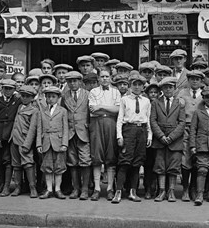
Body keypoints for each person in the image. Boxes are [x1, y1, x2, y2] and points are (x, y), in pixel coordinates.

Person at [113, 74, 152, 204]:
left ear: (143, 87)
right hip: (128, 130)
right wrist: (119, 136)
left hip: (141, 130)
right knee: (124, 161)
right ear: (130, 86)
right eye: (134, 84)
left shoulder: (146, 101)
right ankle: (118, 191)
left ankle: (133, 191)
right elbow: (120, 118)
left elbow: (149, 119)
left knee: (137, 162)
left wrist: (149, 135)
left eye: (139, 85)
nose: (136, 87)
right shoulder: (125, 99)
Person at [150, 77, 186, 202]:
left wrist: (171, 137)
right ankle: (161, 191)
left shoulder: (179, 103)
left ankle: (171, 191)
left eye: (170, 87)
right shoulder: (156, 103)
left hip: (175, 140)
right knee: (160, 166)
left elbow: (182, 122)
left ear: (175, 89)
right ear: (162, 89)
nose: (168, 90)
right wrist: (161, 136)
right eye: (165, 87)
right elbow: (153, 120)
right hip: (160, 140)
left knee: (173, 166)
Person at [88, 69, 121, 201]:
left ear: (110, 78)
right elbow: (92, 111)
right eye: (102, 76)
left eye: (107, 76)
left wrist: (101, 106)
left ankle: (109, 189)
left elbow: (117, 110)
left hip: (111, 124)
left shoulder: (116, 92)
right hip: (97, 124)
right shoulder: (93, 91)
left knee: (111, 155)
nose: (105, 79)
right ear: (99, 78)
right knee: (96, 155)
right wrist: (109, 109)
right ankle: (96, 188)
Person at [32, 86, 69, 199]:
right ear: (45, 98)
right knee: (47, 166)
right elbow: (39, 128)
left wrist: (64, 143)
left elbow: (65, 128)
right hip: (46, 141)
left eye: (53, 96)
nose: (51, 99)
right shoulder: (41, 112)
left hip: (58, 141)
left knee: (59, 167)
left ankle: (57, 189)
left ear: (58, 98)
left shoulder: (62, 111)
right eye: (48, 96)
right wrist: (39, 144)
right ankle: (49, 189)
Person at [0, 79, 21, 196]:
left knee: (8, 160)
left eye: (10, 89)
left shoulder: (17, 101)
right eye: (5, 88)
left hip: (10, 134)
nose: (7, 91)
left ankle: (6, 186)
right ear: (1, 89)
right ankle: (0, 185)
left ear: (14, 90)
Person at [61, 71, 91, 200]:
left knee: (85, 160)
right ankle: (75, 188)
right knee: (72, 162)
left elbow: (91, 112)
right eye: (70, 81)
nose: (72, 83)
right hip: (70, 132)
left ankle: (85, 189)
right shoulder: (64, 96)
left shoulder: (88, 95)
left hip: (84, 132)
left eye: (75, 81)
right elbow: (62, 112)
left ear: (80, 82)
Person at [176, 70, 205, 201]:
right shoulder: (182, 93)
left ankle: (194, 188)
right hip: (186, 128)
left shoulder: (205, 95)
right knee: (185, 158)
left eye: (197, 79)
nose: (194, 81)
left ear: (201, 81)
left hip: (200, 129)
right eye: (192, 78)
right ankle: (185, 189)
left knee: (197, 158)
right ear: (188, 80)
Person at [8, 85, 39, 198]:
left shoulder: (34, 110)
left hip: (24, 140)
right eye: (23, 95)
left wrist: (27, 144)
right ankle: (17, 187)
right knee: (16, 165)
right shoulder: (19, 106)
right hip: (14, 139)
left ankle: (32, 187)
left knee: (28, 163)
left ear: (32, 98)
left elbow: (32, 129)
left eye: (27, 96)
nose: (24, 98)